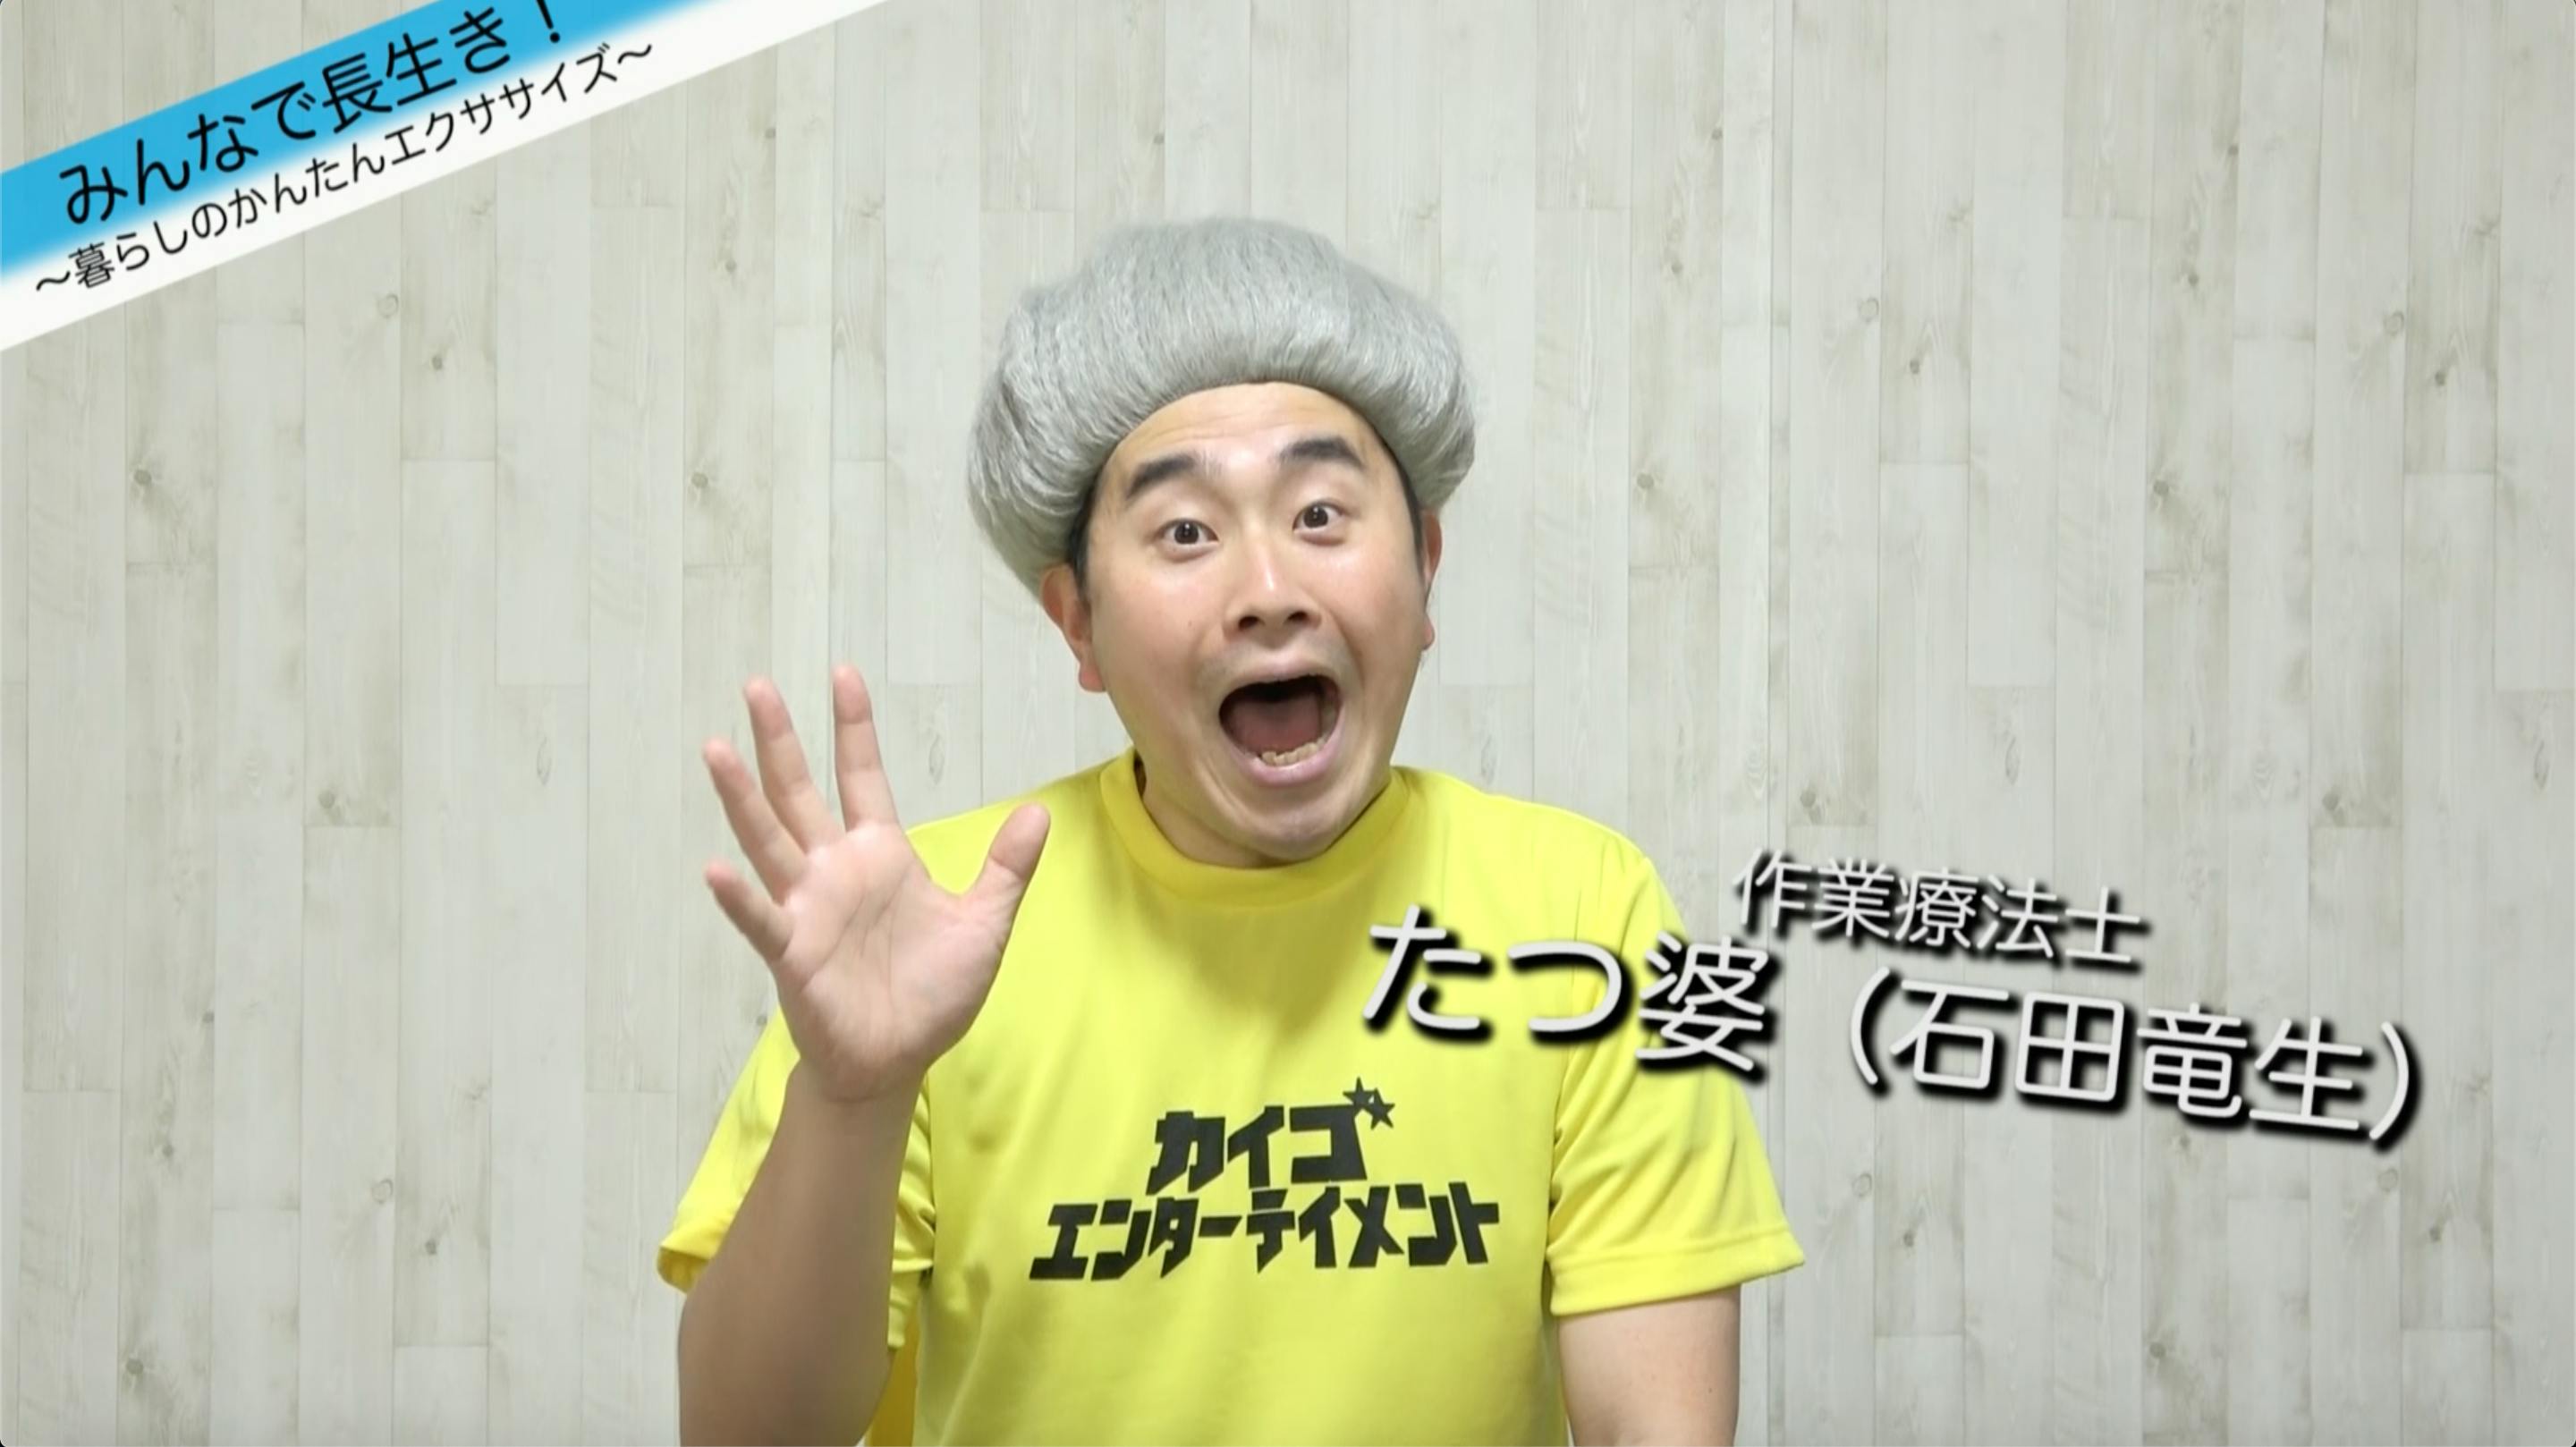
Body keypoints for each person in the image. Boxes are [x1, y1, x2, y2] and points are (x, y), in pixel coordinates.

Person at [657, 216, 1803, 1446]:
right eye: (1186, 533)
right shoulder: (933, 928)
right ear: (1078, 624)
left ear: (1425, 564)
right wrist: (853, 1100)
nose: (1268, 591)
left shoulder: (1580, 915)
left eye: (1320, 515)